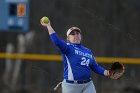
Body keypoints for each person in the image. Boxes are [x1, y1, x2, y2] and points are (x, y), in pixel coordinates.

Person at [40, 18, 110, 93]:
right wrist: (48, 26)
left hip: (88, 85)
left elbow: (95, 67)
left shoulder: (88, 51)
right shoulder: (67, 48)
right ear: (68, 38)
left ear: (80, 35)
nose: (76, 35)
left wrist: (107, 72)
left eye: (77, 33)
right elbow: (56, 41)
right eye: (72, 34)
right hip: (71, 86)